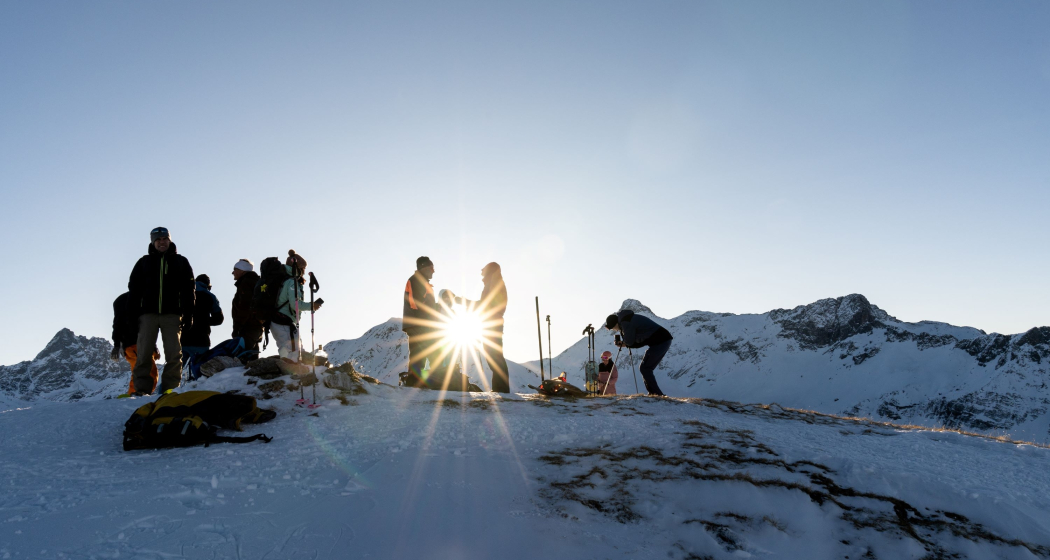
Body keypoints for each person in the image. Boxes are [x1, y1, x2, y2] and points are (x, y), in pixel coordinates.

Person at [127, 227, 195, 395]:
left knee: (174, 354)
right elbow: (133, 290)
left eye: (164, 239)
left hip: (172, 314)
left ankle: (170, 389)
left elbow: (189, 289)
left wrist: (188, 314)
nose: (162, 242)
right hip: (147, 315)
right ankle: (141, 390)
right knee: (143, 354)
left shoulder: (181, 262)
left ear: (169, 240)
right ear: (153, 242)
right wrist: (133, 315)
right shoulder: (144, 262)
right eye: (158, 240)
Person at [454, 262, 509, 393]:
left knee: (494, 356)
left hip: (492, 323)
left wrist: (465, 302)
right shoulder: (493, 283)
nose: (481, 273)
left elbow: (485, 305)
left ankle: (501, 390)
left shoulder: (494, 284)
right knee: (494, 355)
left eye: (483, 271)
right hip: (491, 323)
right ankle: (500, 389)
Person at [605, 309, 671, 396]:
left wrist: (625, 344)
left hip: (661, 341)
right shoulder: (627, 319)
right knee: (645, 368)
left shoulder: (626, 322)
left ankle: (657, 394)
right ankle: (654, 393)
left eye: (613, 327)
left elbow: (630, 342)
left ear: (615, 324)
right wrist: (626, 344)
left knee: (645, 368)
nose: (614, 330)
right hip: (661, 340)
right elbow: (639, 341)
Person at [270, 250, 322, 362]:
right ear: (298, 267)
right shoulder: (291, 282)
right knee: (291, 353)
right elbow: (295, 305)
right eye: (303, 268)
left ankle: (292, 375)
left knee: (294, 351)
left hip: (283, 322)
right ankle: (291, 376)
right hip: (282, 322)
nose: (303, 271)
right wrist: (311, 306)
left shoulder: (288, 280)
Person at [111, 292, 159, 395]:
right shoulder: (135, 299)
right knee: (146, 372)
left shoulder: (126, 299)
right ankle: (137, 394)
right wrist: (116, 345)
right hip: (135, 343)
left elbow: (117, 324)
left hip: (133, 344)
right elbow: (118, 324)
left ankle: (135, 394)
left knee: (140, 371)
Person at [403, 256, 439, 383]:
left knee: (423, 353)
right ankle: (414, 381)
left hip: (422, 323)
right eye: (431, 267)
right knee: (420, 353)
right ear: (423, 267)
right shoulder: (415, 281)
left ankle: (419, 382)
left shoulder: (422, 282)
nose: (433, 271)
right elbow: (414, 302)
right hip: (417, 324)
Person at [181, 274, 225, 362]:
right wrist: (204, 321)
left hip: (183, 339)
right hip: (201, 340)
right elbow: (219, 319)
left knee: (179, 371)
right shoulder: (210, 296)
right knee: (200, 371)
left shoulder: (183, 294)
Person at [230, 259, 263, 357]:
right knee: (252, 355)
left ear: (242, 270)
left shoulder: (246, 283)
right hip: (256, 325)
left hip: (247, 327)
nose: (232, 272)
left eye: (235, 269)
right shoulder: (255, 282)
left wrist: (237, 327)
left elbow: (245, 306)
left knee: (243, 358)